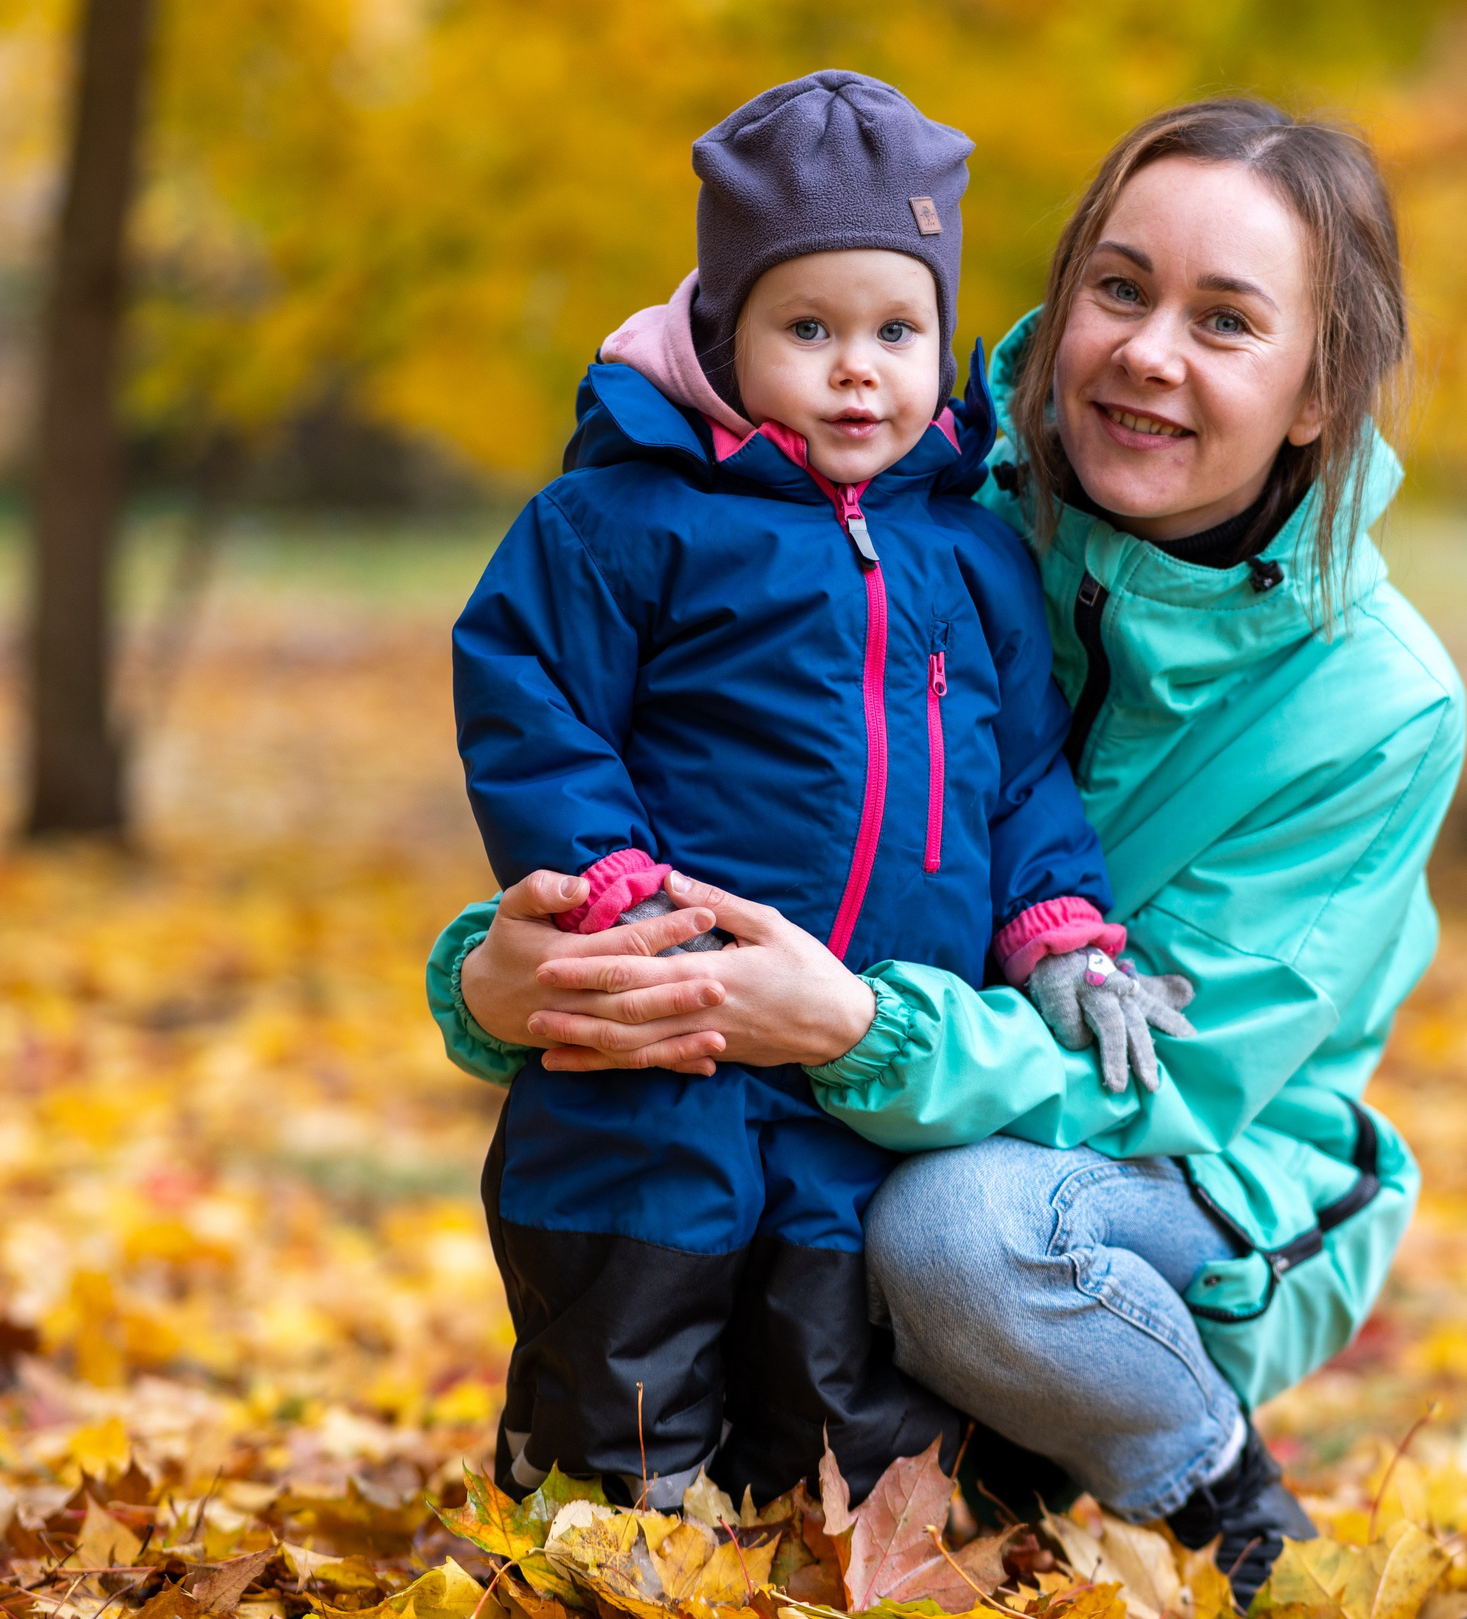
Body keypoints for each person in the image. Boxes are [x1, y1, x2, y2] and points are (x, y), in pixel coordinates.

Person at [438, 99, 1466, 1606]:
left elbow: (1167, 1079)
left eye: (1228, 322)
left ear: (1321, 393)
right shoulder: (912, 497)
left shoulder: (1377, 702)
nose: (1148, 353)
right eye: (1119, 289)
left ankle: (1207, 1479)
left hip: (1182, 1172)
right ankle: (810, 1497)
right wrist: (491, 978)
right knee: (761, 1282)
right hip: (850, 1093)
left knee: (955, 1232)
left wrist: (855, 1025)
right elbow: (680, 792)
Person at [442, 70, 1195, 1513]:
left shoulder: (968, 556)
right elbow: (531, 696)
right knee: (633, 1313)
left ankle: (813, 1564)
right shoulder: (626, 522)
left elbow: (1019, 769)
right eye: (811, 329)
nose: (861, 370)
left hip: (864, 1045)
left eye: (897, 330)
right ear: (725, 335)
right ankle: (600, 1541)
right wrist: (611, 879)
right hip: (669, 1027)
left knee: (832, 1355)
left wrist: (1057, 930)